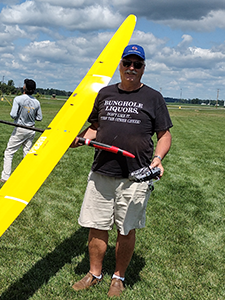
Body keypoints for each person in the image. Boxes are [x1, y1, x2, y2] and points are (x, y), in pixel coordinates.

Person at [70, 44, 173, 297]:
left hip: (135, 176)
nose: (131, 68)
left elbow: (164, 135)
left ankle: (118, 277)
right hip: (102, 172)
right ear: (120, 64)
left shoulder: (153, 97)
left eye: (137, 64)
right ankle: (94, 273)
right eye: (127, 63)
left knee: (126, 229)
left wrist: (157, 159)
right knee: (97, 226)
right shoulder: (104, 93)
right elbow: (95, 127)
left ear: (143, 69)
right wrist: (80, 138)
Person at [0, 79, 43, 183]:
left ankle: (5, 177)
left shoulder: (18, 99)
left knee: (9, 152)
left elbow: (12, 115)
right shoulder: (37, 102)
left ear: (24, 88)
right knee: (27, 153)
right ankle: (26, 177)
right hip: (31, 130)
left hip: (20, 129)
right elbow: (39, 118)